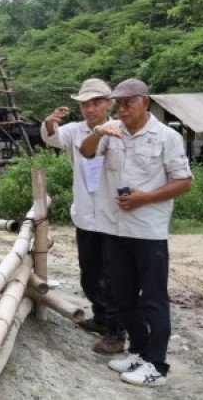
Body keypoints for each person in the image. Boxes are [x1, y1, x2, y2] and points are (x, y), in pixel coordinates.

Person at [80, 78, 192, 387]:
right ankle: (140, 352)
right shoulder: (112, 131)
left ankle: (157, 365)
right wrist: (97, 131)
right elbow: (86, 152)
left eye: (128, 102)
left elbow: (183, 181)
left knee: (153, 299)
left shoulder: (167, 137)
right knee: (121, 295)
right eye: (118, 103)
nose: (122, 109)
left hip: (148, 231)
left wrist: (145, 197)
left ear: (145, 102)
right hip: (115, 229)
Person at [41, 78, 125, 354]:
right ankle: (101, 318)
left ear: (109, 103)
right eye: (85, 104)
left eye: (96, 103)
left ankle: (116, 332)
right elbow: (51, 137)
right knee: (90, 274)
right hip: (86, 214)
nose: (90, 109)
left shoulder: (120, 129)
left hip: (114, 215)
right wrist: (51, 121)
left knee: (113, 276)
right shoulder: (75, 131)